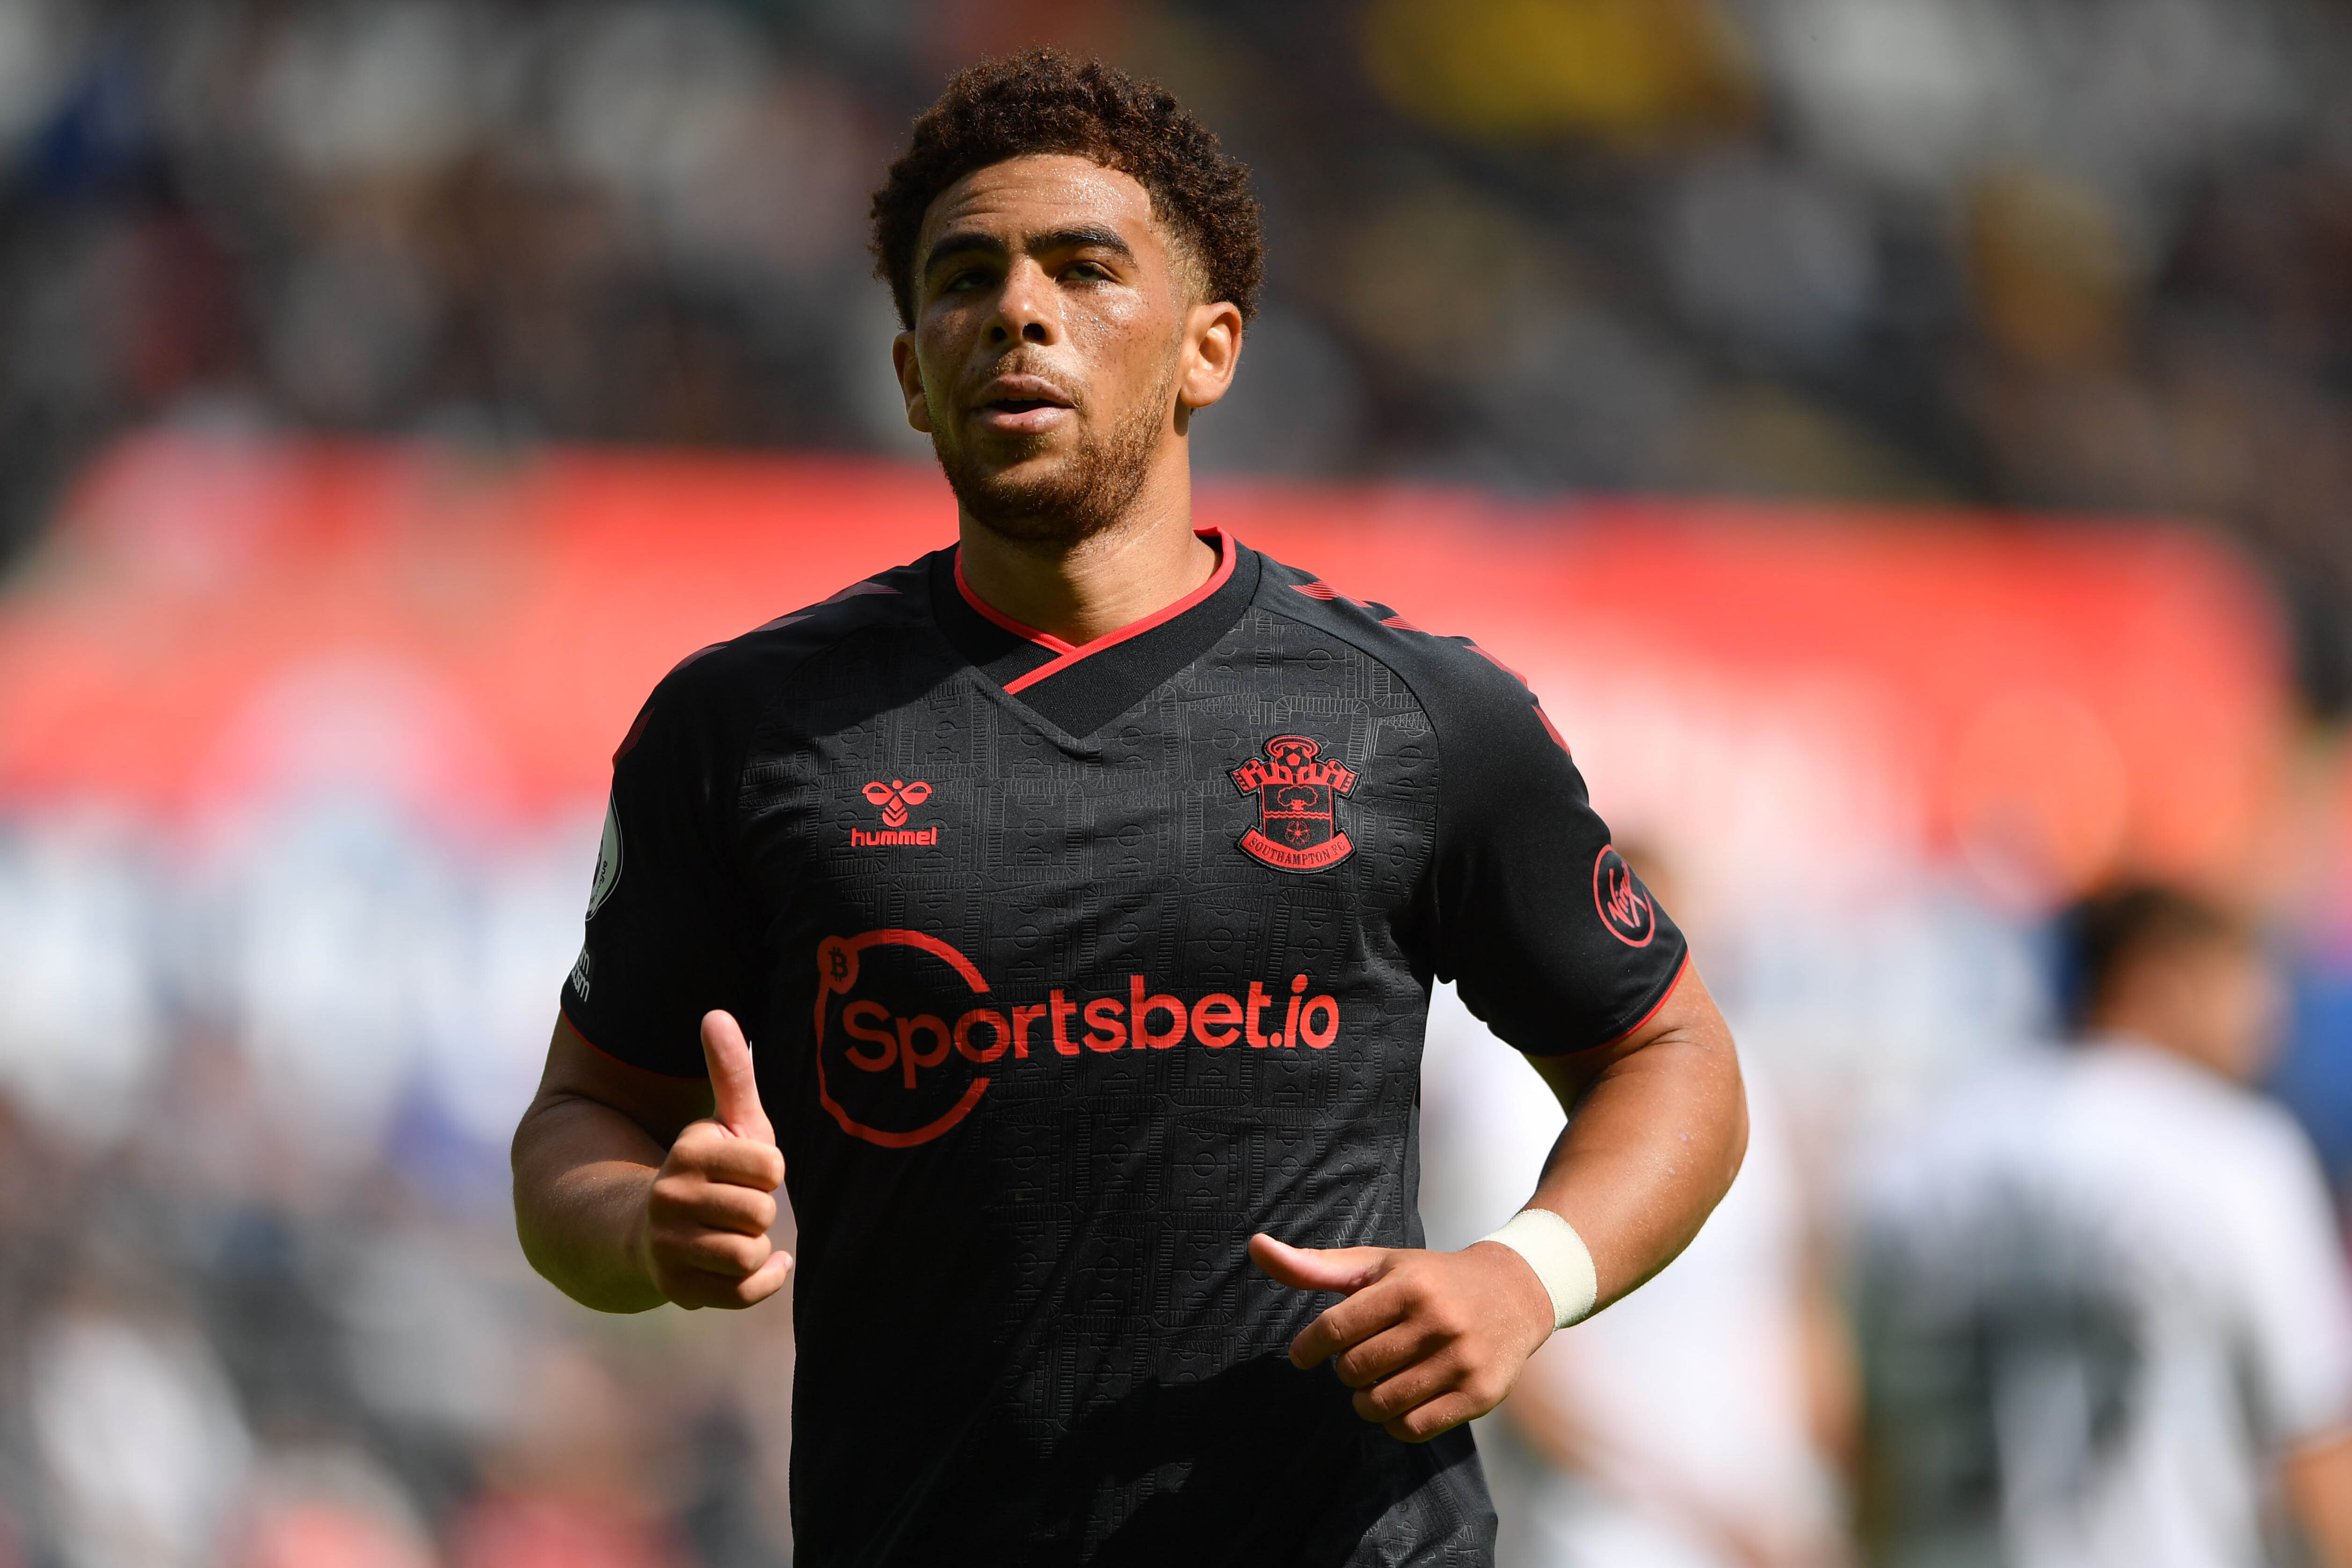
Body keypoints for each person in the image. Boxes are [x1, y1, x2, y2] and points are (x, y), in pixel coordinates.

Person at [510, 50, 1747, 1567]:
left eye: (1083, 268)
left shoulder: (1417, 716)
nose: (1015, 312)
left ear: (1207, 352)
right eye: (962, 278)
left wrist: (1525, 1276)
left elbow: (1669, 1057)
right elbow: (580, 1123)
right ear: (910, 374)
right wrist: (645, 1226)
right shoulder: (742, 728)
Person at [1852, 884, 2352, 1568]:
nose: (2268, 1016)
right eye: (2242, 981)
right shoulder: (2238, 1157)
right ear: (2156, 979)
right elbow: (2317, 1446)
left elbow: (1870, 1441)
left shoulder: (1910, 1155)